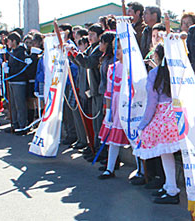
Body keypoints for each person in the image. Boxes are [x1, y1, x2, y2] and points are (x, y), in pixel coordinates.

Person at [134, 43, 182, 204]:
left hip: (162, 117)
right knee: (169, 155)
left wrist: (143, 124)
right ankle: (170, 186)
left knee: (166, 155)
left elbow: (151, 103)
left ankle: (172, 190)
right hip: (179, 115)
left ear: (158, 56)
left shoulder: (155, 73)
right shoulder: (179, 71)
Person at [70, 24, 106, 161]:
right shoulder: (91, 48)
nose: (89, 37)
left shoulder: (98, 50)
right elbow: (81, 61)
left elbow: (88, 62)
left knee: (99, 123)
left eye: (92, 35)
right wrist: (71, 54)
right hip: (92, 90)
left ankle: (100, 152)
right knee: (95, 124)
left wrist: (75, 54)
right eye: (89, 34)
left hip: (98, 90)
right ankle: (95, 149)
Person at [97, 37, 129, 180]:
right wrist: (108, 111)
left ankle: (142, 170)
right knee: (112, 138)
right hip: (115, 106)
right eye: (116, 47)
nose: (117, 51)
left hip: (128, 105)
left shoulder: (131, 68)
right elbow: (109, 92)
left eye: (121, 48)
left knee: (134, 138)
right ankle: (110, 168)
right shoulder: (113, 67)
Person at [5, 31, 30, 135]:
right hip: (11, 81)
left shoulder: (20, 52)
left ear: (14, 41)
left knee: (20, 104)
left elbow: (21, 67)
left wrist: (9, 70)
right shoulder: (12, 52)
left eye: (9, 41)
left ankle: (22, 125)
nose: (7, 43)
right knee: (13, 104)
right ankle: (14, 124)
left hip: (19, 81)